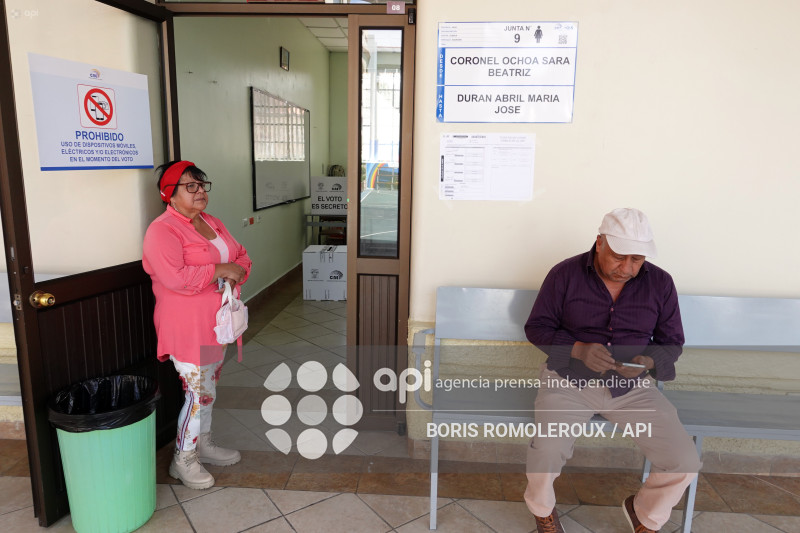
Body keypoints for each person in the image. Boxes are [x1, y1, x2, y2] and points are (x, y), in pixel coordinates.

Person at [523, 208, 701, 533]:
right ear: (600, 242)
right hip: (568, 380)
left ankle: (644, 514)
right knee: (547, 450)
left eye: (637, 260)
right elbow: (537, 327)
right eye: (620, 257)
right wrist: (578, 349)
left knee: (684, 461)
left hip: (631, 388)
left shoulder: (660, 283)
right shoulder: (565, 274)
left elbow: (672, 342)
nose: (627, 268)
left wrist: (645, 363)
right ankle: (543, 510)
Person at [143, 160, 252, 490]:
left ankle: (202, 442)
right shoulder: (162, 230)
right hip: (186, 326)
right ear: (169, 194)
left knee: (208, 389)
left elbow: (240, 255)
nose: (200, 191)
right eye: (190, 186)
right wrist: (221, 270)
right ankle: (183, 457)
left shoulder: (210, 221)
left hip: (215, 324)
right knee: (198, 394)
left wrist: (236, 269)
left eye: (202, 184)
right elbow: (175, 278)